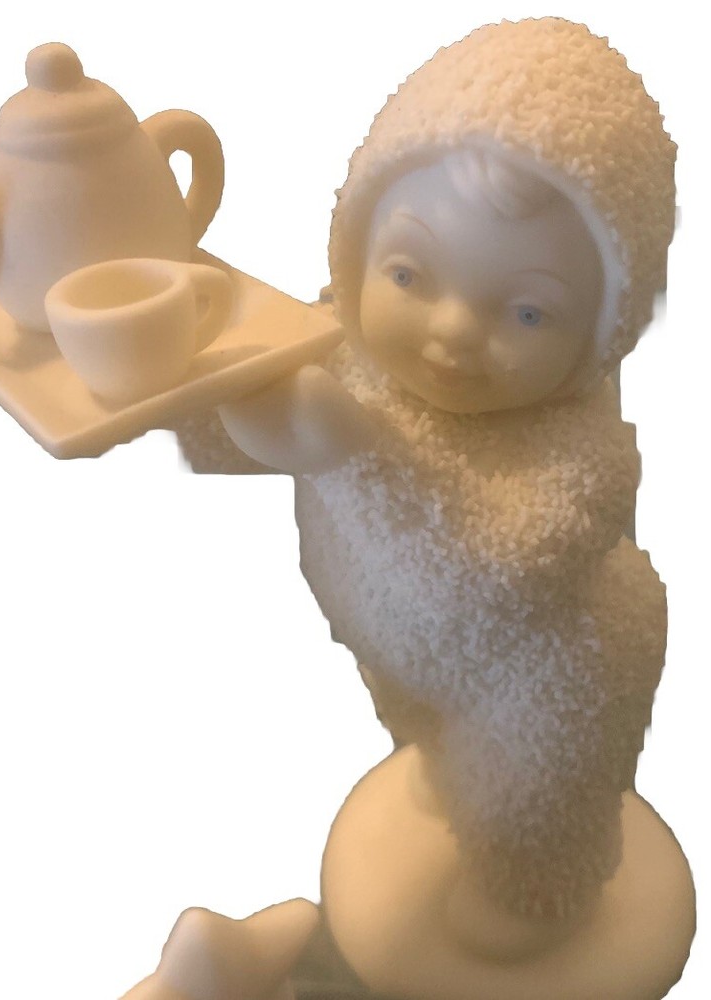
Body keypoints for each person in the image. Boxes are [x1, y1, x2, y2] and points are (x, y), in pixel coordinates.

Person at [174, 16, 676, 956]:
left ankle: (537, 899)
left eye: (527, 312)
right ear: (356, 247)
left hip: (543, 680)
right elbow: (236, 414)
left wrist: (357, 454)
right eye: (408, 273)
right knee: (431, 748)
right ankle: (439, 774)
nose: (450, 332)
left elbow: (489, 577)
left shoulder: (582, 456)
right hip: (399, 653)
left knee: (526, 804)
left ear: (601, 331)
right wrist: (170, 356)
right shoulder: (340, 352)